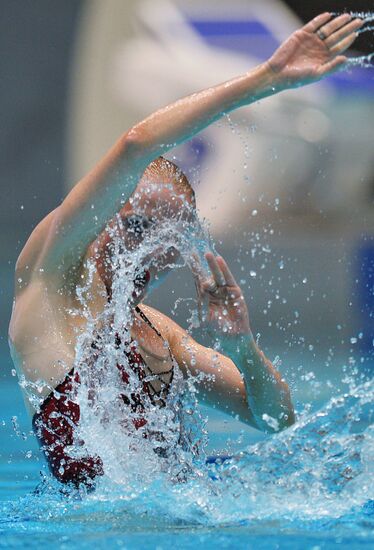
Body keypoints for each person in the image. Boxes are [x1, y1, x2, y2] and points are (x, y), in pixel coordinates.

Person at [9, 13, 363, 487]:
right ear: (98, 220)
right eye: (135, 228)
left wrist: (242, 345)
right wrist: (267, 79)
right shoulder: (52, 283)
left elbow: (275, 420)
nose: (148, 254)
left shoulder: (163, 336)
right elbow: (136, 143)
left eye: (166, 242)